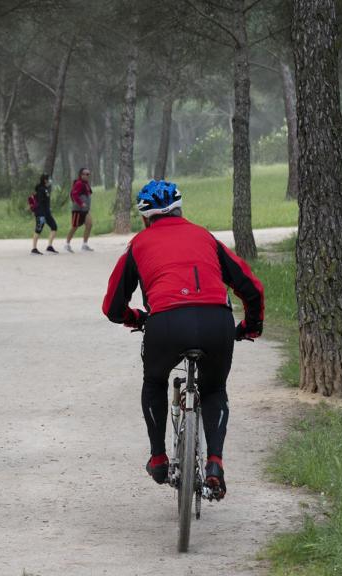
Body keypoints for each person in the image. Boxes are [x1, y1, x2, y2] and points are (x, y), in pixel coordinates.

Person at [102, 180, 264, 500]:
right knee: (215, 388)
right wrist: (251, 326)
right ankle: (215, 464)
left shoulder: (138, 244)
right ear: (180, 209)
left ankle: (159, 459)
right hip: (216, 322)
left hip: (166, 324)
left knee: (154, 382)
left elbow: (112, 307)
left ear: (145, 217)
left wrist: (137, 319)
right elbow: (251, 287)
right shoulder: (205, 237)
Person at [64, 167, 93, 252]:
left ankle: (84, 245)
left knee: (89, 224)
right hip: (78, 209)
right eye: (86, 174)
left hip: (85, 210)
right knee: (75, 227)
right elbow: (74, 194)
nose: (88, 176)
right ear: (81, 175)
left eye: (89, 174)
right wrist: (81, 203)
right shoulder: (79, 183)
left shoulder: (86, 183)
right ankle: (67, 244)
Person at [31, 174, 58, 255]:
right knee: (38, 230)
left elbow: (46, 202)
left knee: (54, 227)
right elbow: (40, 203)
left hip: (47, 213)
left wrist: (48, 210)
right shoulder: (40, 189)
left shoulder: (46, 189)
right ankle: (34, 249)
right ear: (45, 180)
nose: (50, 181)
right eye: (49, 179)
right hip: (41, 213)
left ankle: (49, 246)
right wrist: (41, 214)